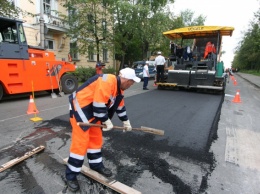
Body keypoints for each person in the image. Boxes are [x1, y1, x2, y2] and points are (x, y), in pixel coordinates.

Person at [65, 68, 141, 192]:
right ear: (126, 80)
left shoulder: (119, 89)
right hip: (81, 109)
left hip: (93, 111)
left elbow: (120, 107)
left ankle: (96, 165)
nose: (132, 85)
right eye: (132, 82)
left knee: (96, 140)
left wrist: (126, 121)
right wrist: (106, 121)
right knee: (80, 144)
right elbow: (99, 104)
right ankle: (71, 176)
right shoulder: (108, 81)